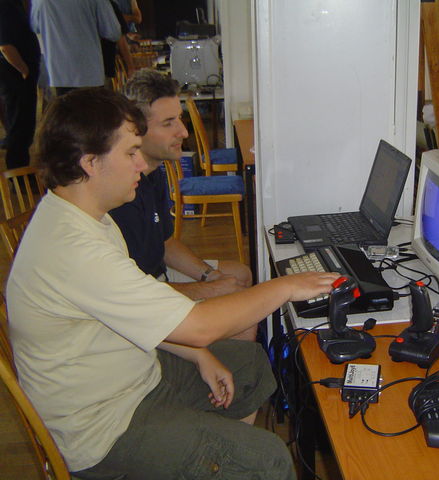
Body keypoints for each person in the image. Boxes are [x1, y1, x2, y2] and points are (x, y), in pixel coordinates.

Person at [6, 87, 338, 479]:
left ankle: (212, 459)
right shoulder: (75, 249)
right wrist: (286, 286)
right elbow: (198, 327)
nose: (140, 164)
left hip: (134, 377)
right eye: (130, 152)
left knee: (249, 365)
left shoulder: (87, 215)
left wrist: (198, 356)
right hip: (103, 429)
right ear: (91, 162)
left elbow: (136, 317)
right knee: (268, 459)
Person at [109, 70, 253, 336]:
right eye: (168, 123)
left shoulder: (154, 171)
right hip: (140, 301)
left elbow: (165, 242)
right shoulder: (119, 195)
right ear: (134, 128)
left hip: (157, 278)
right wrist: (210, 289)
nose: (184, 132)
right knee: (242, 309)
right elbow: (133, 296)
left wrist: (209, 275)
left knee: (241, 274)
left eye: (180, 119)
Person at [30, 0, 122, 96]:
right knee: (92, 105)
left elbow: (35, 27)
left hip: (58, 73)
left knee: (62, 105)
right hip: (90, 72)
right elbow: (113, 33)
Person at [0, 0, 40, 169]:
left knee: (23, 124)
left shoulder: (14, 5)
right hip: (15, 76)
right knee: (20, 125)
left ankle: (21, 168)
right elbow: (5, 46)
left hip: (20, 75)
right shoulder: (5, 7)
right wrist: (24, 70)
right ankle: (18, 173)